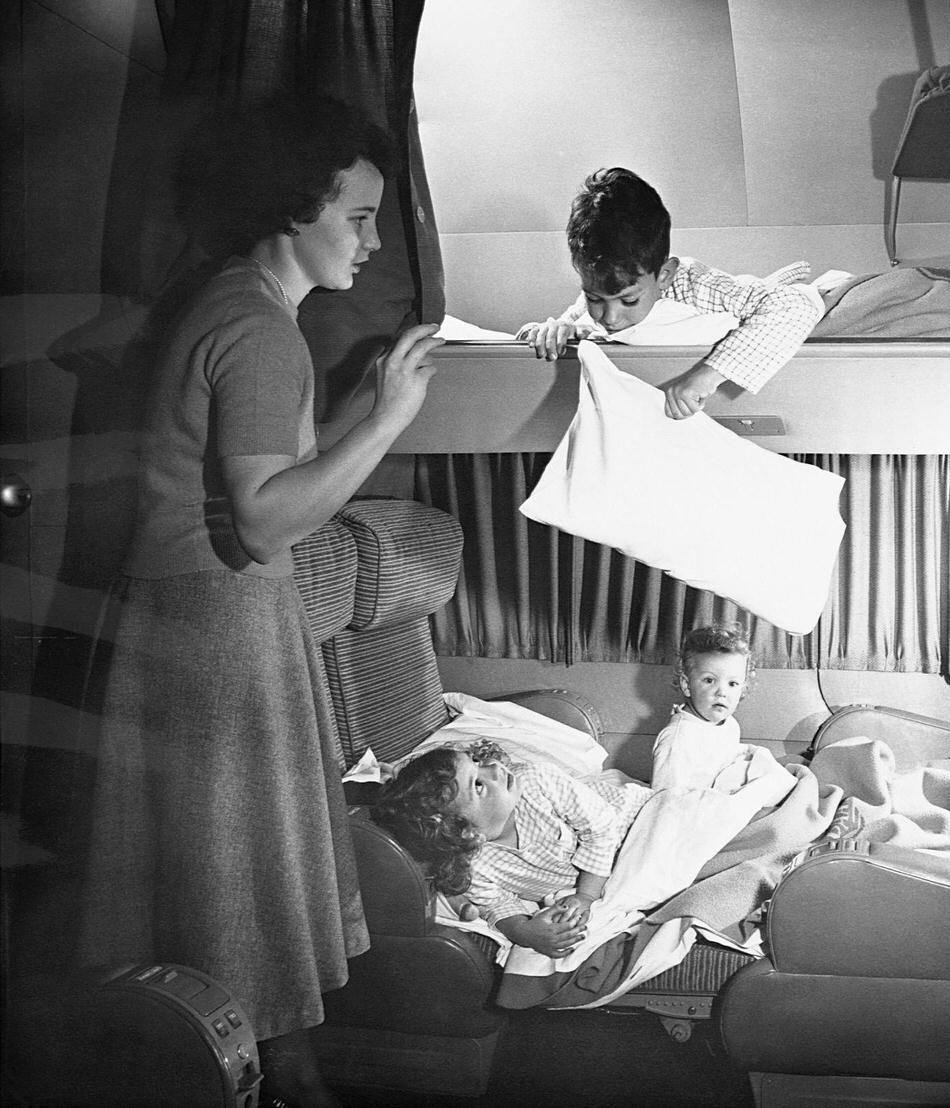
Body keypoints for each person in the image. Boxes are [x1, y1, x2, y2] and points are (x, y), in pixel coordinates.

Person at [77, 93, 444, 1108]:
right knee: (238, 896)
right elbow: (266, 520)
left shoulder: (237, 302)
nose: (370, 242)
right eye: (357, 217)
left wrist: (364, 407)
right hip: (218, 623)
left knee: (222, 890)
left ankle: (275, 1077)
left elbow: (270, 471)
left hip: (201, 618)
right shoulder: (260, 327)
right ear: (293, 207)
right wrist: (389, 422)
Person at [516, 167, 823, 418]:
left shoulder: (696, 286)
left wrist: (705, 377)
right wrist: (554, 330)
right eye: (595, 299)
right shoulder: (595, 297)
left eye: (629, 300)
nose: (609, 317)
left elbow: (794, 305)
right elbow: (572, 322)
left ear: (664, 275)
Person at [373, 741, 651, 957]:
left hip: (634, 822)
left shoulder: (535, 781)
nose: (494, 768)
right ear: (466, 831)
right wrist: (524, 931)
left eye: (477, 762)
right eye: (479, 785)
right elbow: (495, 902)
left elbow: (601, 828)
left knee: (678, 849)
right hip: (618, 875)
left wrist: (587, 895)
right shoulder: (471, 863)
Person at [650, 624, 763, 791]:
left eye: (732, 683)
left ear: (743, 689)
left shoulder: (730, 724)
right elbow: (665, 797)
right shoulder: (678, 738)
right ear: (687, 685)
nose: (722, 692)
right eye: (709, 680)